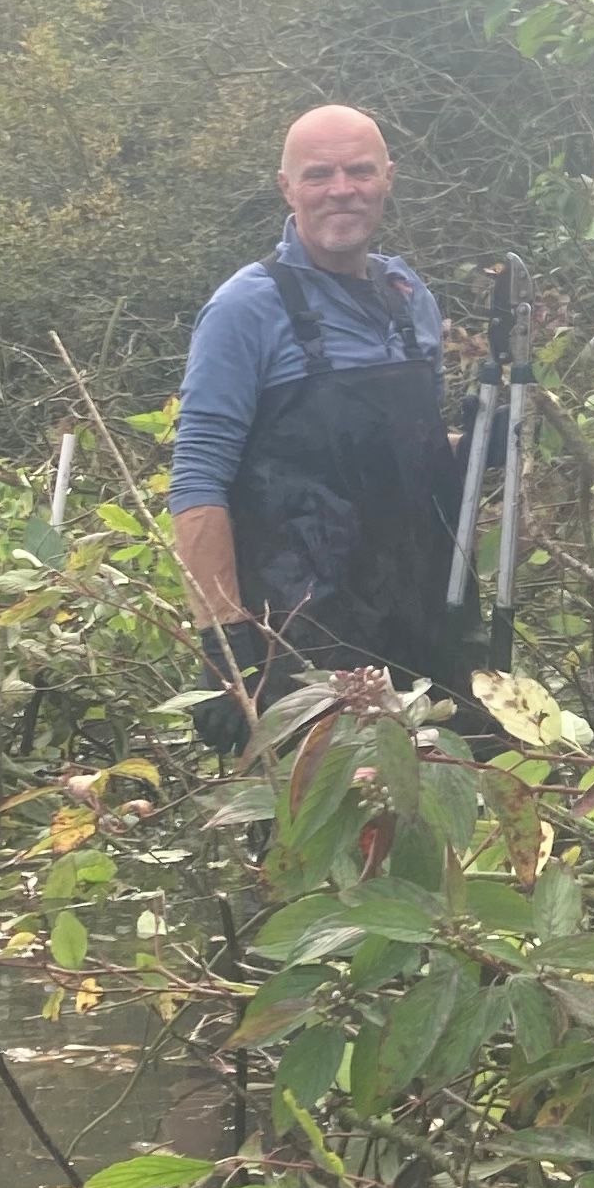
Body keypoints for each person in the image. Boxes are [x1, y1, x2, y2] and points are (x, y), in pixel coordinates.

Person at [172, 105, 459, 751]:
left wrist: (473, 451)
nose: (341, 190)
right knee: (321, 834)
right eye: (319, 174)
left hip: (427, 621)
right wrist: (223, 644)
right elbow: (197, 479)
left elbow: (403, 457)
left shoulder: (408, 295)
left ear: (388, 177)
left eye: (359, 171)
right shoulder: (245, 309)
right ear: (286, 187)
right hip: (305, 643)